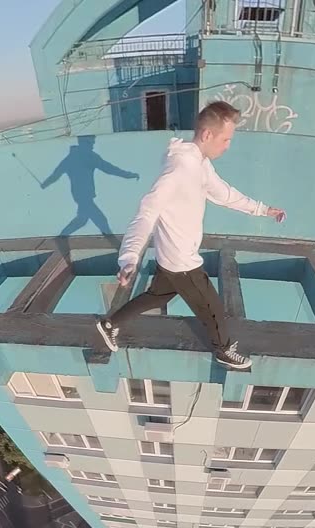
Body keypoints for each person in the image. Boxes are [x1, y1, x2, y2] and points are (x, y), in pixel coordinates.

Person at [95, 101, 286, 370]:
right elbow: (147, 212)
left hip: (170, 257)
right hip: (182, 262)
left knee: (156, 296)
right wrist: (129, 257)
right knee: (214, 311)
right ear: (207, 135)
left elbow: (223, 193)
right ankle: (223, 350)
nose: (228, 146)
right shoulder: (179, 169)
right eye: (226, 139)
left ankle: (109, 324)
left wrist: (262, 209)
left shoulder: (199, 163)